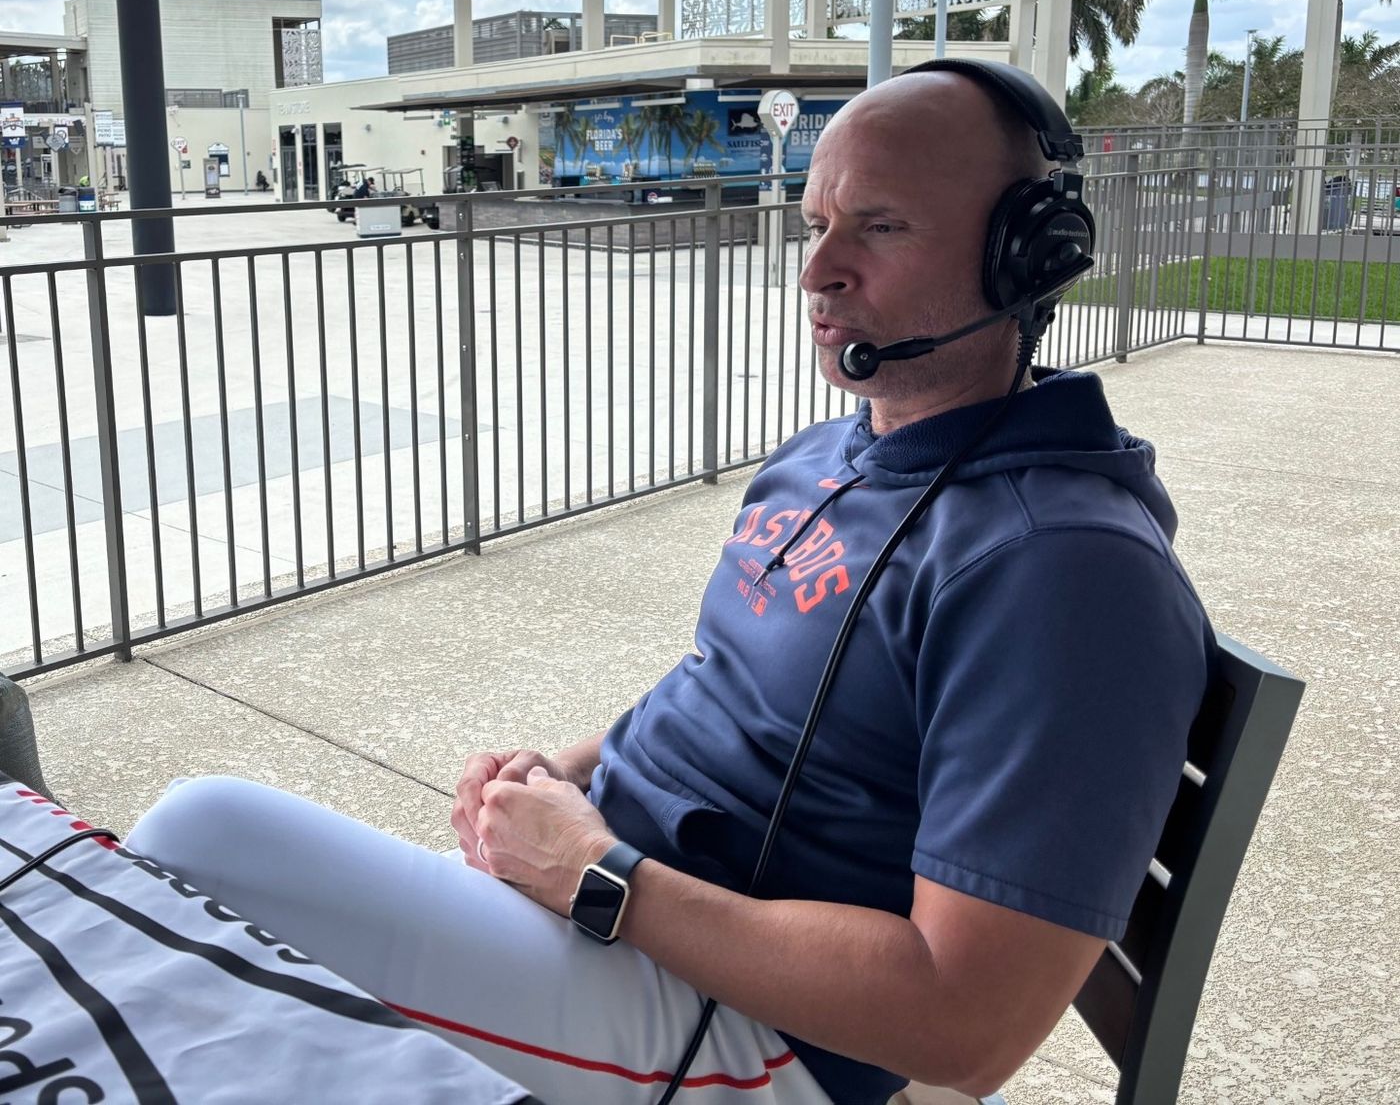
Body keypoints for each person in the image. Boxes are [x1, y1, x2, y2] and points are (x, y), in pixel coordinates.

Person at [126, 65, 1213, 1104]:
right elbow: (721, 681)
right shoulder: (827, 453)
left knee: (198, 844)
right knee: (204, 916)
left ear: (1027, 255)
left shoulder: (1064, 572)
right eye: (812, 223)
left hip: (743, 1036)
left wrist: (595, 875)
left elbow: (966, 1023)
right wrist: (565, 769)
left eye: (879, 226)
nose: (817, 270)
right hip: (609, 911)